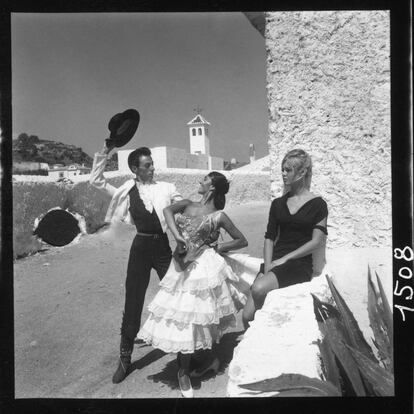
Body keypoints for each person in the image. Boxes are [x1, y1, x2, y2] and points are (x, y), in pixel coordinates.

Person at [137, 172, 248, 398]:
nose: (201, 181)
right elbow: (167, 211)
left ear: (213, 187)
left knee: (192, 317)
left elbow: (241, 240)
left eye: (205, 179)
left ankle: (183, 372)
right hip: (179, 264)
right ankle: (207, 360)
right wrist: (178, 237)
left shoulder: (219, 216)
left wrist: (217, 249)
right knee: (182, 316)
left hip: (201, 270)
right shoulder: (187, 204)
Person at [89, 141, 182, 384]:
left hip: (163, 248)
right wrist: (105, 150)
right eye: (147, 165)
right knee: (133, 301)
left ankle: (188, 354)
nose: (153, 169)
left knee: (179, 295)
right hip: (140, 249)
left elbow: (181, 206)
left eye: (152, 164)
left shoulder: (166, 187)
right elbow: (96, 182)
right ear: (135, 169)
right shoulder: (126, 191)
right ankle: (124, 359)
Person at [242, 148, 328, 328]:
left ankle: (263, 334)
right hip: (274, 261)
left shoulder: (318, 205)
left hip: (298, 264)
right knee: (246, 315)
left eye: (288, 170)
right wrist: (267, 265)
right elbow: (269, 237)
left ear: (303, 172)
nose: (283, 174)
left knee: (258, 289)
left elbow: (317, 241)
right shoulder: (278, 203)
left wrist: (285, 259)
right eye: (283, 169)